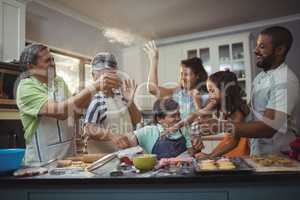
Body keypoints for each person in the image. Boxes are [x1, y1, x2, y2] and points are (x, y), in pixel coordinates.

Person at [199, 26, 299, 155]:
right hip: (259, 154)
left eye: (262, 47)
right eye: (257, 46)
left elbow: (269, 128)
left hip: (279, 157)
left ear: (279, 50)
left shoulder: (285, 80)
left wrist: (221, 126)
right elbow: (252, 113)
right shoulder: (261, 77)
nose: (255, 50)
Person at [17, 44, 121, 165]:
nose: (52, 63)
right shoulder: (26, 87)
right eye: (47, 61)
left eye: (52, 59)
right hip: (42, 162)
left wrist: (92, 92)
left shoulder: (59, 82)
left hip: (69, 159)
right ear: (31, 67)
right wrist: (94, 87)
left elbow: (74, 113)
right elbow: (61, 112)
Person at [83, 52, 142, 154]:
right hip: (104, 159)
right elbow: (89, 129)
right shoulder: (94, 98)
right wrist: (112, 135)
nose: (110, 80)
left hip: (126, 155)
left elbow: (137, 119)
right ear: (94, 76)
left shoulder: (121, 94)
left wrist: (130, 101)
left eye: (113, 74)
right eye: (106, 76)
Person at [144, 41, 209, 119]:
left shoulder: (206, 96)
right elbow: (152, 89)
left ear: (197, 76)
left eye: (186, 74)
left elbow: (206, 121)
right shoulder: (177, 93)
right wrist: (154, 61)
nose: (183, 78)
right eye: (181, 74)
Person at [112, 98, 194, 159]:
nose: (178, 119)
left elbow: (190, 153)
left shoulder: (183, 130)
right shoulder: (150, 131)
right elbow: (128, 139)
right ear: (159, 119)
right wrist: (124, 139)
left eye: (178, 115)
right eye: (173, 116)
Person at [194, 71, 250, 158]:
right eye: (209, 91)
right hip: (231, 142)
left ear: (225, 91)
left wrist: (210, 155)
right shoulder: (226, 108)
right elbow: (202, 117)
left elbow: (233, 142)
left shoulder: (237, 112)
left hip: (242, 146)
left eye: (212, 91)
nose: (210, 95)